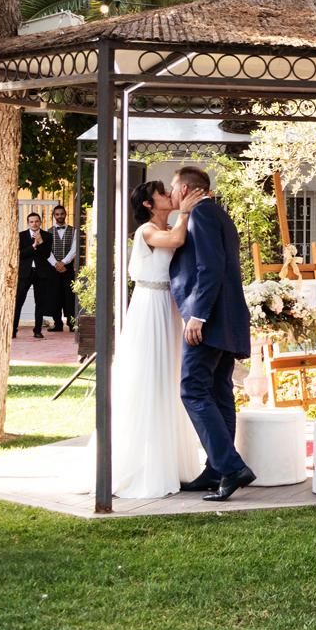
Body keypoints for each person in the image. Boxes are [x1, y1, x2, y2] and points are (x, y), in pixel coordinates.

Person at [112, 180, 205, 498]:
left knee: (170, 378)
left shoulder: (171, 223)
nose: (169, 196)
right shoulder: (146, 231)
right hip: (149, 306)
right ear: (149, 204)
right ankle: (143, 465)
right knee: (148, 376)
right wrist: (185, 212)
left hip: (170, 308)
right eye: (162, 194)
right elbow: (176, 239)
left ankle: (172, 462)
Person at [167, 166, 255, 501]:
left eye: (175, 189)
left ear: (187, 188)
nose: (173, 195)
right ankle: (217, 470)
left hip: (210, 321)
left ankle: (232, 468)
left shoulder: (202, 214)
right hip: (228, 319)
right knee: (219, 394)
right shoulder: (217, 213)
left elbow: (210, 267)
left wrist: (198, 315)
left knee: (193, 391)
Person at [14, 212, 54, 338]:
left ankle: (37, 330)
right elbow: (20, 254)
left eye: (36, 221)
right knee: (19, 301)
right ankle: (13, 329)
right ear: (28, 223)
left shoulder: (47, 236)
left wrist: (41, 242)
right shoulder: (21, 235)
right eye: (31, 221)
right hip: (25, 273)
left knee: (40, 302)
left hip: (41, 273)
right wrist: (33, 246)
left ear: (40, 222)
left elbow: (46, 255)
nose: (34, 224)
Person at [44, 203, 79, 330]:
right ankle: (57, 323)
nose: (60, 216)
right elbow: (46, 251)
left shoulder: (73, 230)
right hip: (53, 268)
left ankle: (71, 323)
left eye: (62, 214)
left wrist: (63, 262)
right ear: (54, 216)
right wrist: (56, 264)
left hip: (67, 267)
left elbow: (74, 249)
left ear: (65, 215)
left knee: (69, 295)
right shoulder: (47, 232)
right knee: (55, 295)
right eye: (57, 214)